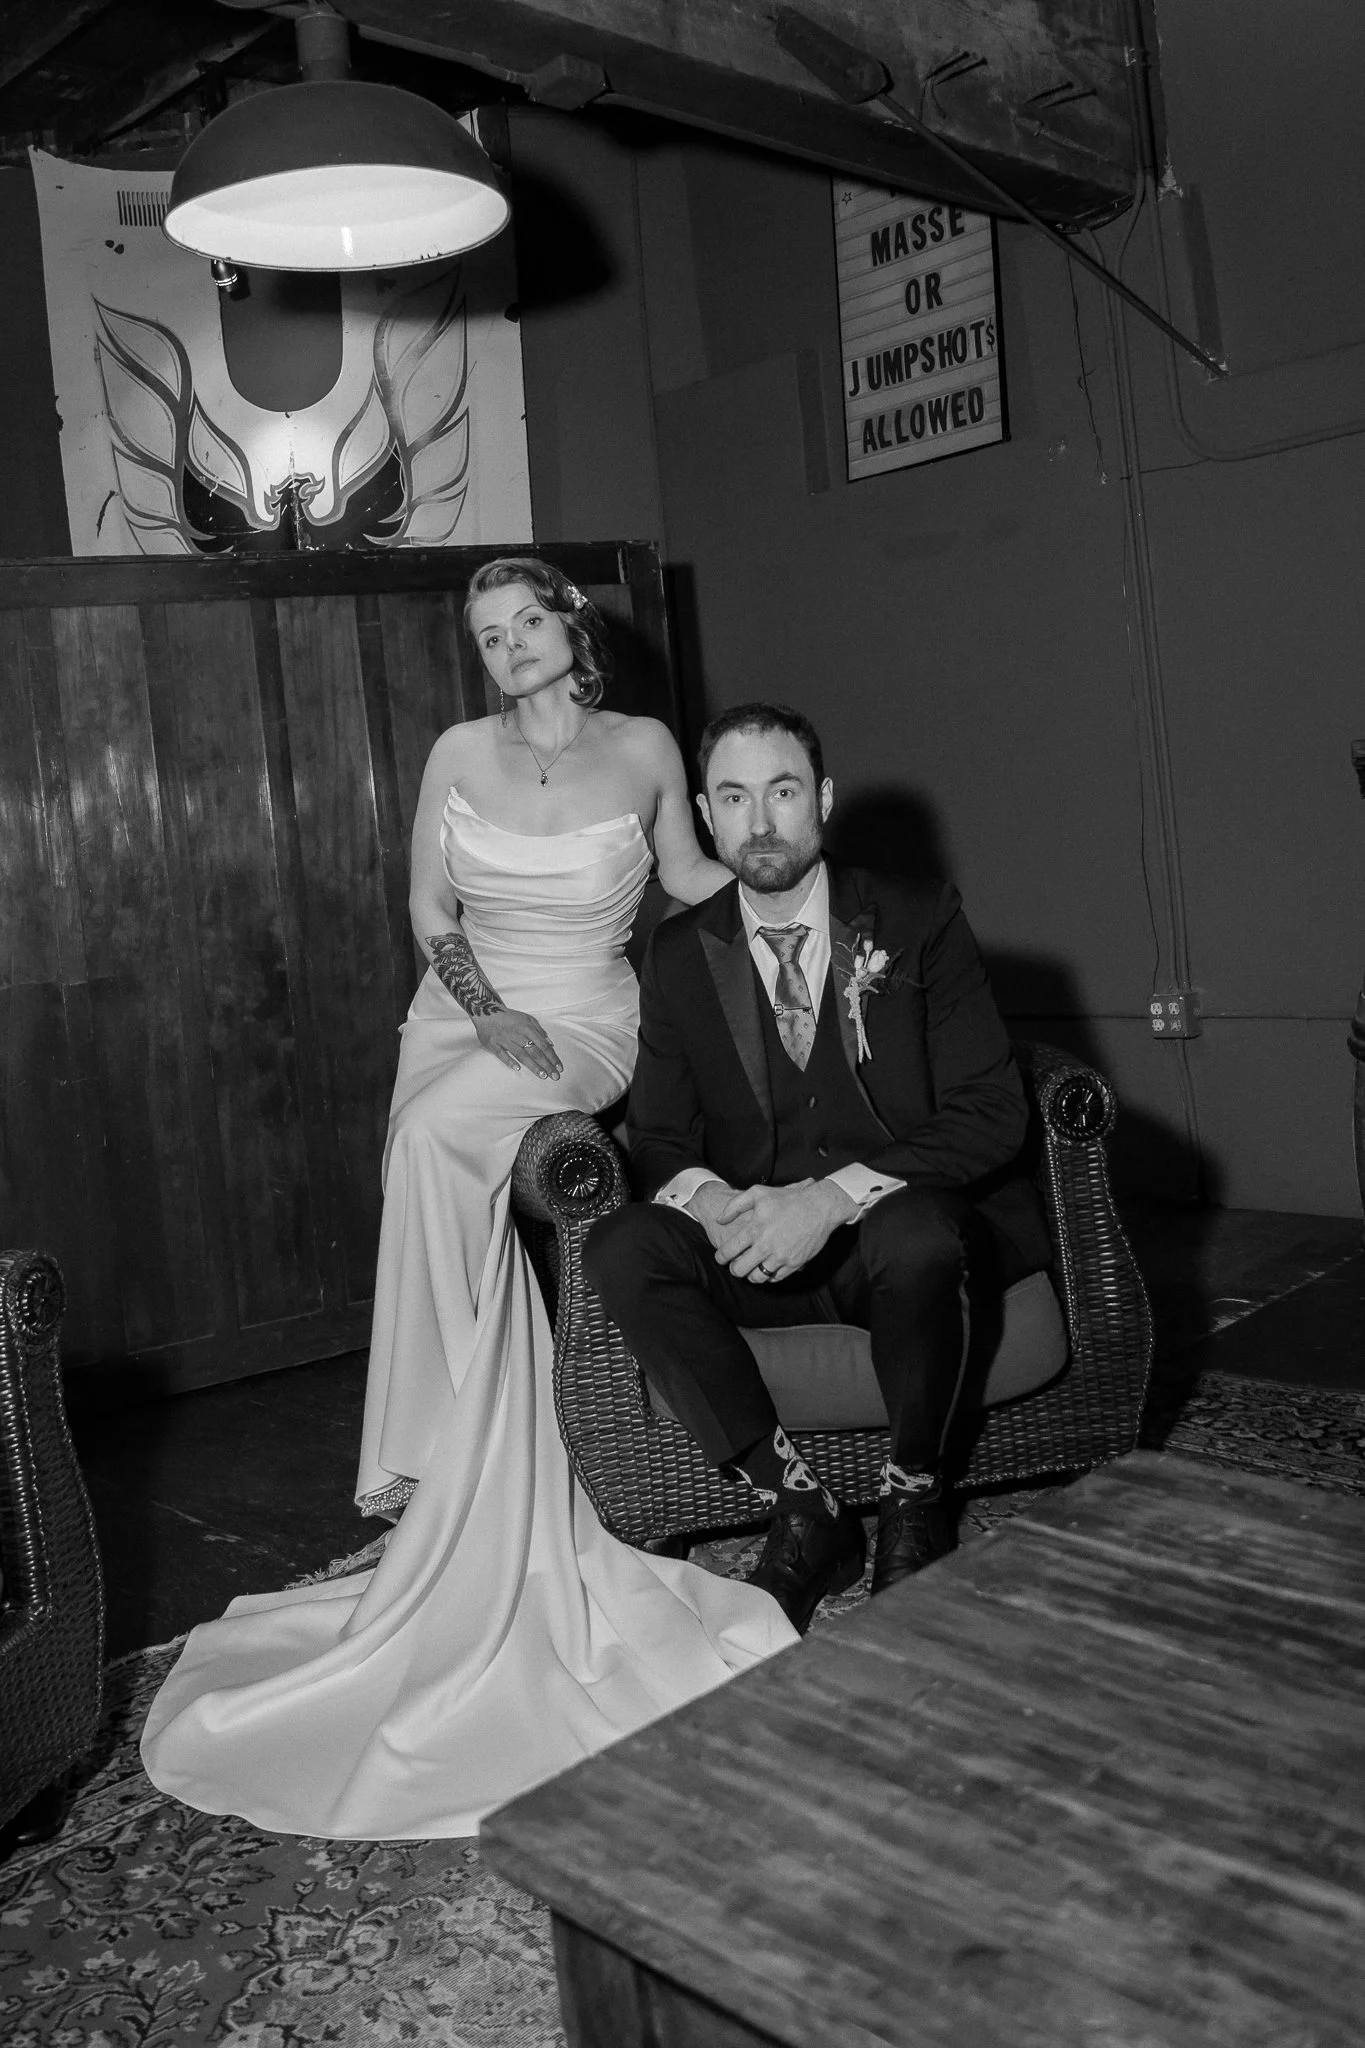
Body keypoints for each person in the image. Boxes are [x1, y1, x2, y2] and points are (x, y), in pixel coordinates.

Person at [140, 562, 796, 1841]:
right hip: (464, 1012)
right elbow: (428, 903)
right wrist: (483, 1009)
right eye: (488, 635)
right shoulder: (456, 750)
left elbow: (683, 870)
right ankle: (460, 1459)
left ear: (570, 626)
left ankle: (437, 1453)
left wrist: (792, 899)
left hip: (587, 1012)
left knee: (444, 1137)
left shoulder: (643, 746)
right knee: (424, 1144)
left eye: (526, 623)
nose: (508, 647)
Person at [584, 703, 1052, 1635]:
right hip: (760, 1254)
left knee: (917, 1231)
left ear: (823, 800)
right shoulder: (678, 952)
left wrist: (831, 1199)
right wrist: (716, 1204)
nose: (760, 822)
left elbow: (991, 1111)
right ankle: (802, 1509)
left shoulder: (917, 917)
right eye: (733, 798)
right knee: (623, 1245)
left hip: (903, 1248)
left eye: (783, 792)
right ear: (705, 818)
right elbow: (661, 1138)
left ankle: (914, 1499)